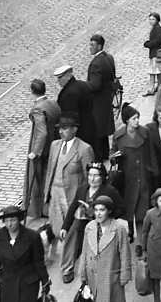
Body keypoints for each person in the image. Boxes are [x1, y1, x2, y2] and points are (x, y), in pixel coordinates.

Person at [43, 112, 94, 276]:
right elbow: (50, 169)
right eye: (60, 129)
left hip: (72, 198)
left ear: (74, 130)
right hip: (55, 194)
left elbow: (90, 177)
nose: (61, 132)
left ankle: (67, 268)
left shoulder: (84, 149)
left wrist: (87, 200)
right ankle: (60, 253)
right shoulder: (55, 145)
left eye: (65, 129)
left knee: (71, 232)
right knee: (58, 228)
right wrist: (47, 194)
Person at [60, 163, 124, 284]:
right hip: (83, 223)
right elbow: (73, 206)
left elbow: (121, 209)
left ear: (102, 177)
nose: (92, 179)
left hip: (100, 225)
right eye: (90, 175)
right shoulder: (82, 189)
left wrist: (106, 216)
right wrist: (65, 227)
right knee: (72, 238)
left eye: (96, 176)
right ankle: (68, 269)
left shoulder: (109, 191)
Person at [112, 103, 157, 244]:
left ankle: (142, 238)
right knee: (129, 206)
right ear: (127, 120)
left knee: (142, 208)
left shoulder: (144, 133)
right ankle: (131, 231)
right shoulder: (119, 136)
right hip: (127, 177)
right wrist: (114, 158)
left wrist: (153, 169)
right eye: (134, 118)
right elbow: (112, 154)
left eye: (137, 118)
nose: (137, 121)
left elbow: (151, 152)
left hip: (143, 175)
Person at [0, 205, 50, 302]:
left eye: (13, 220)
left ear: (19, 220)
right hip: (7, 282)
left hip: (28, 283)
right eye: (7, 221)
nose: (9, 224)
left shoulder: (32, 236)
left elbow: (38, 261)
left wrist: (45, 281)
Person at [78, 195, 132, 301]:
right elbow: (84, 252)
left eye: (102, 210)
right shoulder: (89, 227)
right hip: (92, 276)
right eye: (96, 210)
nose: (98, 213)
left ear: (109, 211)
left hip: (110, 277)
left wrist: (124, 274)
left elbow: (125, 254)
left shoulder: (119, 229)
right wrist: (83, 273)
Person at [23, 79, 61, 220]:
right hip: (54, 143)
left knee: (37, 179)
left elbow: (42, 132)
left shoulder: (38, 109)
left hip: (43, 148)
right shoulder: (53, 103)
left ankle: (36, 208)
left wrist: (35, 152)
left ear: (32, 91)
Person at [86, 34, 116, 160]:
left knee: (97, 130)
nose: (90, 47)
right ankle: (105, 153)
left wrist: (84, 86)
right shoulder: (108, 57)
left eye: (92, 45)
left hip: (98, 102)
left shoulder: (96, 63)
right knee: (103, 130)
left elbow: (95, 85)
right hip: (106, 99)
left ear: (99, 46)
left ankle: (99, 156)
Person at [143, 12, 161, 96]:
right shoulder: (155, 28)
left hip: (156, 53)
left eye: (153, 19)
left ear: (157, 20)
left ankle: (152, 89)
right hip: (154, 53)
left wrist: (149, 44)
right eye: (150, 19)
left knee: (154, 72)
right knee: (156, 72)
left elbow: (158, 40)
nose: (151, 21)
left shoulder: (157, 28)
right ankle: (159, 88)